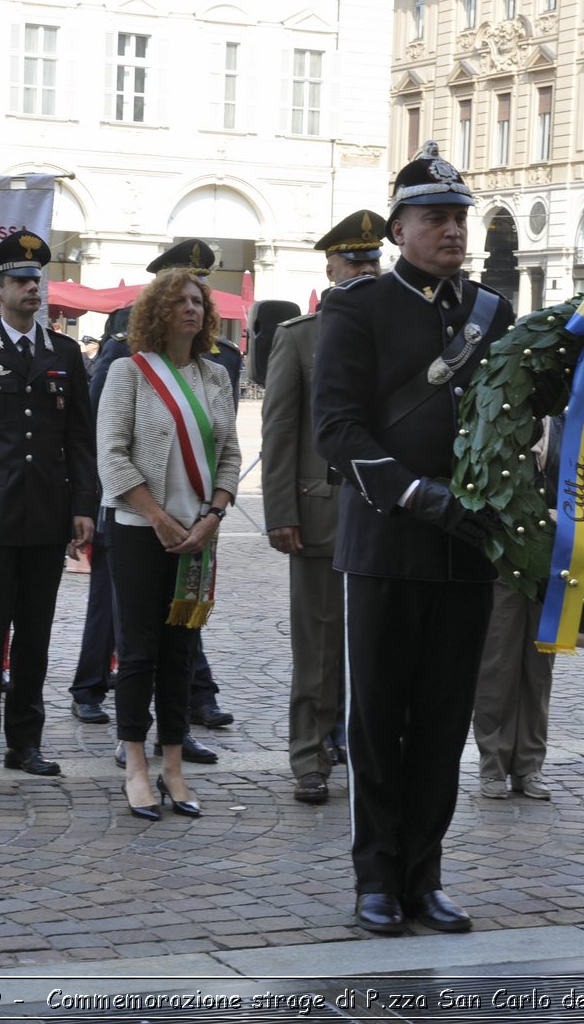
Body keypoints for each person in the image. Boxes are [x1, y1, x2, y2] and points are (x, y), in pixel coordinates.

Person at [314, 142, 513, 935]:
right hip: (388, 542)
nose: (452, 231)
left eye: (458, 218)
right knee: (377, 723)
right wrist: (415, 492)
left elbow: (513, 418)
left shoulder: (492, 313)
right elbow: (337, 428)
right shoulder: (358, 308)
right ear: (399, 228)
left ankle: (425, 874)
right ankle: (376, 877)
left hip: (465, 549)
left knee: (442, 721)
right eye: (435, 218)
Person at [0, 229, 96, 780]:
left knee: (36, 633)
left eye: (37, 280)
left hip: (46, 514)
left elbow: (79, 437)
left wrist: (83, 504)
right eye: (21, 281)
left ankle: (25, 743)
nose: (33, 288)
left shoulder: (65, 353)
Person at [84, 239, 241, 763]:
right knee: (139, 649)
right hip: (138, 528)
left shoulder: (216, 374)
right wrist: (157, 517)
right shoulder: (128, 369)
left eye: (199, 301)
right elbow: (111, 454)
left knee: (182, 649)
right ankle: (132, 751)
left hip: (199, 531)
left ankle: (174, 749)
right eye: (181, 301)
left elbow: (230, 452)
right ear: (158, 310)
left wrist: (215, 514)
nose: (193, 308)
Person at [263, 209, 383, 805]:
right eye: (352, 261)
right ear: (331, 266)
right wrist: (281, 510)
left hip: (389, 513)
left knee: (381, 645)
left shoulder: (403, 328)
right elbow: (281, 430)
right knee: (317, 644)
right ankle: (310, 756)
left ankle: (367, 749)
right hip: (319, 510)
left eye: (372, 260)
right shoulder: (300, 337)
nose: (363, 269)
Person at [474, 414, 561, 802]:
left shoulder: (567, 418)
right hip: (503, 557)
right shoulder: (500, 415)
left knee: (539, 666)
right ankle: (492, 762)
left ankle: (529, 764)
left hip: (552, 557)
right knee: (498, 664)